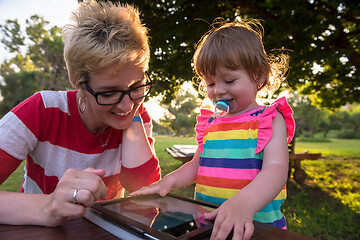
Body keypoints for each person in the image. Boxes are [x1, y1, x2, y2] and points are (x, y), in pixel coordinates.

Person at [0, 0, 160, 227]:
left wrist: (133, 113)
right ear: (81, 86)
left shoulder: (136, 114)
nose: (125, 106)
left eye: (137, 86)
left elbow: (146, 194)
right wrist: (47, 207)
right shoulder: (41, 110)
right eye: (109, 93)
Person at [131, 19, 295, 240]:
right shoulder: (210, 124)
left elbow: (276, 170)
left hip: (254, 228)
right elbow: (196, 166)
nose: (218, 90)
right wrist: (166, 183)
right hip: (209, 225)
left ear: (259, 76)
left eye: (229, 80)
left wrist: (243, 204)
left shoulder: (268, 119)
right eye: (210, 83)